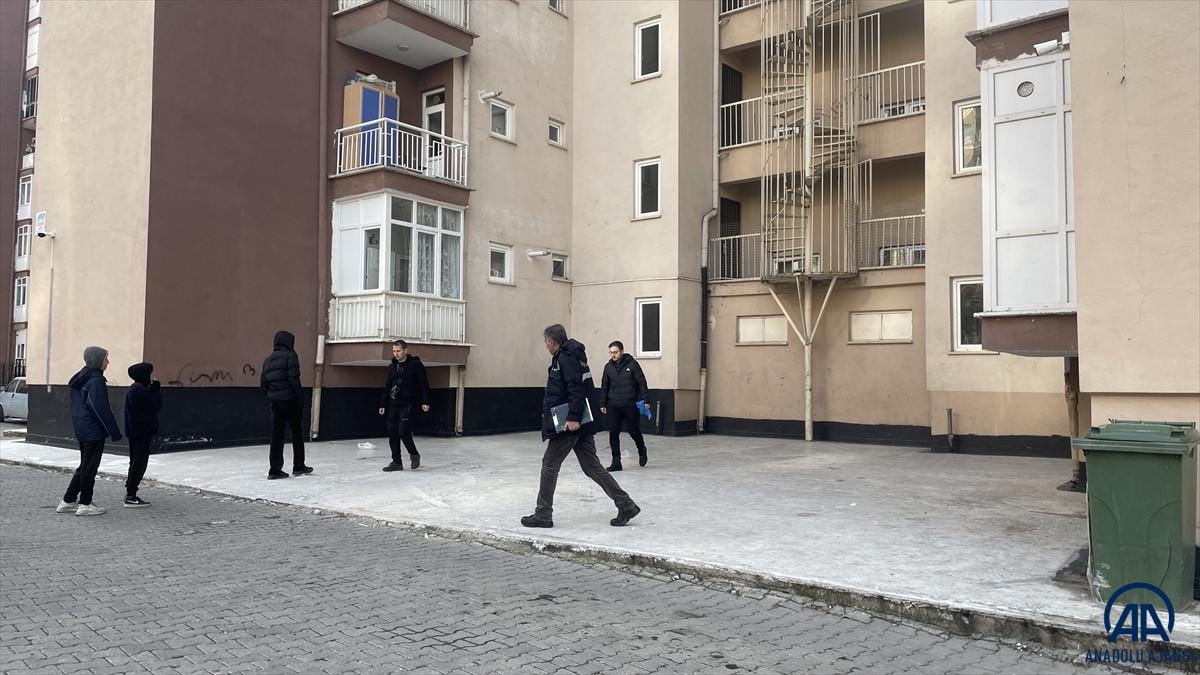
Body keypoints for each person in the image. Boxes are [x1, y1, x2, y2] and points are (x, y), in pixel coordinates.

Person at [521, 324, 640, 528]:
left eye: (546, 342)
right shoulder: (573, 356)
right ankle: (626, 504)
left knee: (549, 464)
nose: (546, 346)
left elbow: (576, 388)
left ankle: (543, 514)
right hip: (580, 421)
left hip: (571, 422)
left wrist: (573, 417)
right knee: (591, 466)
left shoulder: (566, 358)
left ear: (551, 341)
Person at [57, 346, 122, 516]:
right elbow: (99, 408)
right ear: (97, 360)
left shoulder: (81, 378)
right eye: (106, 358)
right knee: (89, 468)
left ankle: (68, 500)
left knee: (85, 465)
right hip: (93, 430)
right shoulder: (96, 381)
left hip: (82, 427)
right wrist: (114, 431)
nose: (108, 362)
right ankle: (85, 503)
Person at [260, 330, 312, 479]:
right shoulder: (291, 356)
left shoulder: (267, 360)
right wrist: (301, 398)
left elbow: (263, 383)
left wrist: (271, 396)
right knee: (296, 432)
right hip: (291, 400)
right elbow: (294, 379)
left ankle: (274, 469)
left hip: (275, 402)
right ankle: (298, 465)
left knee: (276, 435)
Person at [378, 340, 430, 471]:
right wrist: (383, 404)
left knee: (403, 432)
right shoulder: (392, 366)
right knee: (392, 433)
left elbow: (424, 384)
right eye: (394, 351)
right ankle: (396, 462)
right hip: (393, 404)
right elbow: (388, 386)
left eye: (398, 351)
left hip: (408, 404)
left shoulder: (415, 365)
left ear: (405, 350)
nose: (396, 354)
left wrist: (426, 401)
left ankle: (414, 454)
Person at [599, 340, 650, 471]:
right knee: (613, 433)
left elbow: (642, 383)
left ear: (621, 351)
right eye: (611, 352)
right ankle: (616, 461)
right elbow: (604, 386)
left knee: (633, 431)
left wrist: (646, 400)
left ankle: (641, 449)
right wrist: (602, 403)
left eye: (615, 352)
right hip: (613, 405)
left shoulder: (632, 365)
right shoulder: (608, 367)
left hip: (630, 404)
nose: (613, 355)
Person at [122, 362, 161, 508]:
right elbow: (154, 406)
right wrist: (156, 389)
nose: (152, 376)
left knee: (135, 462)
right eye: (150, 373)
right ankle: (131, 495)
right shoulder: (139, 391)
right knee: (139, 463)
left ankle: (130, 491)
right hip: (141, 432)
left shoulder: (135, 389)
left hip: (136, 431)